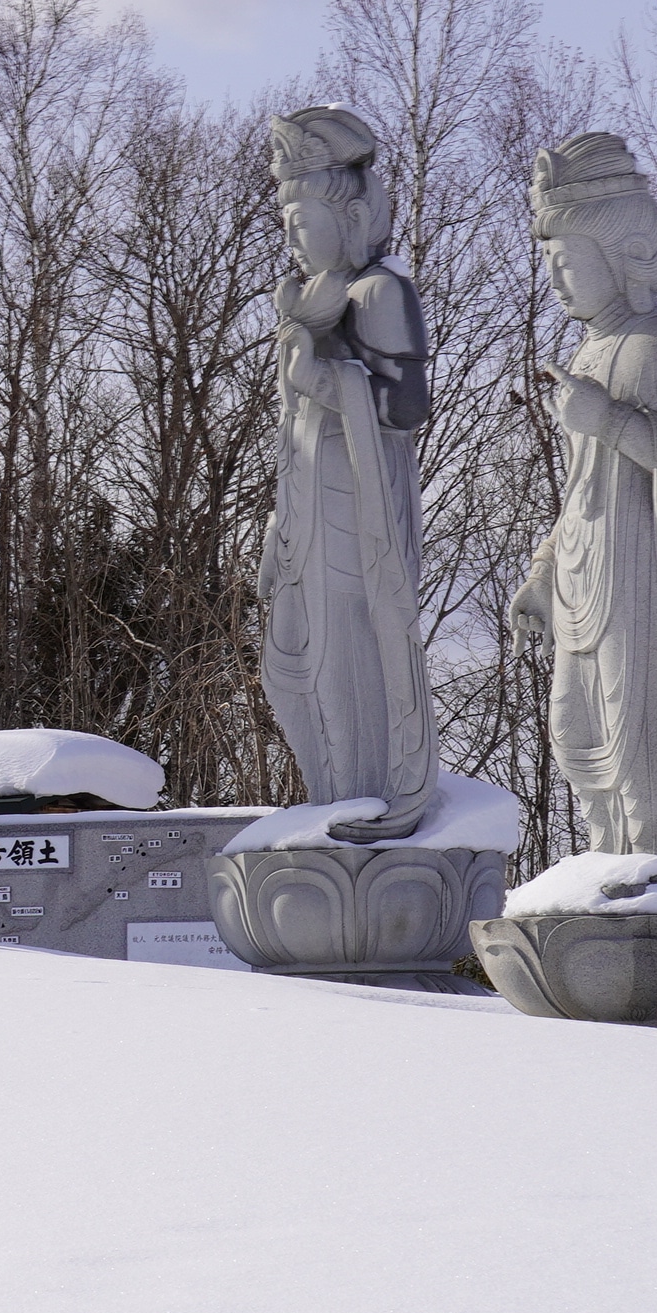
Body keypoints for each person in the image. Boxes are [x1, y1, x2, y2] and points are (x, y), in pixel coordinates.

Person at [508, 133, 657, 886]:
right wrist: (543, 571)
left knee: (637, 728)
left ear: (620, 257)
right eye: (551, 266)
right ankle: (605, 858)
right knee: (580, 729)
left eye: (568, 263)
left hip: (643, 575)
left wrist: (609, 421)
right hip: (586, 571)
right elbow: (580, 485)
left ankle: (651, 866)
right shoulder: (586, 355)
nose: (559, 283)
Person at [257, 105, 436, 829]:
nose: (294, 237)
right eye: (288, 223)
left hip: (354, 511)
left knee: (348, 652)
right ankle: (328, 791)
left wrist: (325, 381)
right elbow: (288, 439)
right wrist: (277, 528)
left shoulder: (377, 292)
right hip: (307, 514)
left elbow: (405, 407)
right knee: (289, 664)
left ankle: (365, 791)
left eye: (305, 220)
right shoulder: (311, 308)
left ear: (351, 214)